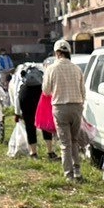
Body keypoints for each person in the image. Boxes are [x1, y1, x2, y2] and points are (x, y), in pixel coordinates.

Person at [41, 40, 86, 181]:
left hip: (60, 107)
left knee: (65, 143)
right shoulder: (77, 68)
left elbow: (46, 91)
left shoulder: (51, 69)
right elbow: (83, 91)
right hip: (77, 106)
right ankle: (77, 170)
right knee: (74, 140)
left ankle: (69, 174)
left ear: (57, 53)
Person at [14, 62, 49, 159]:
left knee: (30, 126)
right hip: (40, 95)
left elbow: (17, 96)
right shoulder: (42, 74)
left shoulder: (22, 79)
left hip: (25, 97)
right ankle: (50, 151)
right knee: (45, 125)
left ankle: (33, 153)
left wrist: (17, 113)